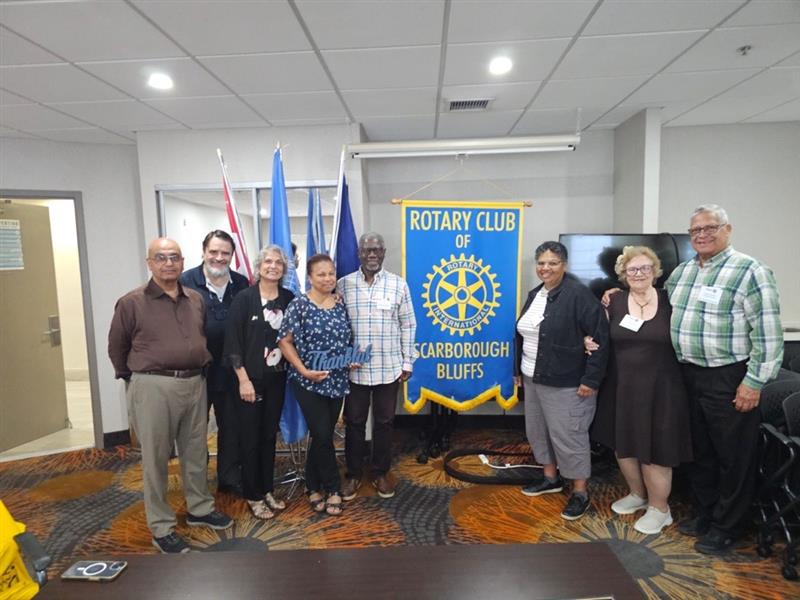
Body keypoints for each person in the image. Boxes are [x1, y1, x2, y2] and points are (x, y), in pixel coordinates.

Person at [666, 205, 782, 554]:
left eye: (710, 228)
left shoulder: (750, 270)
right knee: (700, 451)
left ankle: (729, 526)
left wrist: (754, 382)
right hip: (688, 374)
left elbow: (768, 333)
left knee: (733, 456)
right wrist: (616, 294)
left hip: (729, 376)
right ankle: (706, 513)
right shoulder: (683, 272)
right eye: (695, 230)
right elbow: (656, 301)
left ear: (727, 229)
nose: (701, 235)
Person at [108, 238, 233, 554]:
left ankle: (199, 508)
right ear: (149, 263)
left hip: (195, 383)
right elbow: (117, 348)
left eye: (174, 257)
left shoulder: (195, 299)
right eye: (161, 257)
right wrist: (135, 380)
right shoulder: (131, 302)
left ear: (182, 262)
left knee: (196, 451)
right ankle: (161, 526)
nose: (168, 263)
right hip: (153, 386)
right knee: (156, 458)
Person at [591, 246, 692, 535]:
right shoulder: (613, 301)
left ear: (655, 271)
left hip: (662, 390)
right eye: (632, 269)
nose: (639, 274)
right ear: (623, 274)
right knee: (623, 445)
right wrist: (588, 341)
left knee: (656, 449)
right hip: (621, 387)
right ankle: (638, 494)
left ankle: (660, 509)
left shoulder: (672, 300)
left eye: (645, 268)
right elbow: (599, 336)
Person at [513, 241, 609, 520]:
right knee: (539, 432)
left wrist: (591, 380)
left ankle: (580, 492)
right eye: (541, 263)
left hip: (567, 382)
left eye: (553, 263)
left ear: (564, 265)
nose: (546, 268)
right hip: (533, 378)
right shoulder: (536, 294)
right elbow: (524, 335)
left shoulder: (579, 295)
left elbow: (600, 340)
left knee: (569, 437)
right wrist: (517, 370)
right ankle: (550, 478)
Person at [278, 254, 361, 516]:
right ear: (310, 277)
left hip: (337, 380)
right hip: (308, 381)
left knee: (321, 435)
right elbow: (284, 341)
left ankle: (312, 485)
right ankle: (333, 487)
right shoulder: (299, 305)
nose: (327, 278)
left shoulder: (340, 303)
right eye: (321, 274)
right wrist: (303, 370)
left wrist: (350, 358)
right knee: (324, 434)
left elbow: (346, 339)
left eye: (331, 273)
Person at [338, 232, 416, 501]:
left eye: (377, 250)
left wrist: (408, 360)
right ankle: (353, 473)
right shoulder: (343, 285)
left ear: (384, 252)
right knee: (354, 422)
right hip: (355, 369)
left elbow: (408, 325)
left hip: (388, 367)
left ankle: (380, 472)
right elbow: (337, 326)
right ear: (359, 253)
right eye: (367, 250)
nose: (372, 254)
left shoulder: (398, 285)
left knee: (385, 422)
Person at [224, 245, 294, 519]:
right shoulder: (244, 298)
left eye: (278, 262)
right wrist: (243, 380)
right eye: (268, 261)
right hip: (249, 380)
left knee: (268, 436)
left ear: (284, 269)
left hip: (277, 380)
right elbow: (233, 343)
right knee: (250, 438)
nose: (273, 266)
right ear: (258, 267)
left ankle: (267, 489)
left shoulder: (288, 298)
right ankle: (253, 495)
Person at [180, 230, 249, 496]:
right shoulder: (185, 283)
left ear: (232, 256)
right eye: (214, 252)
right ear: (204, 252)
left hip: (231, 370)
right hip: (197, 372)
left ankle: (229, 479)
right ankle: (196, 484)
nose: (219, 258)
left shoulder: (241, 284)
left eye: (225, 253)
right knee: (194, 432)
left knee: (231, 427)